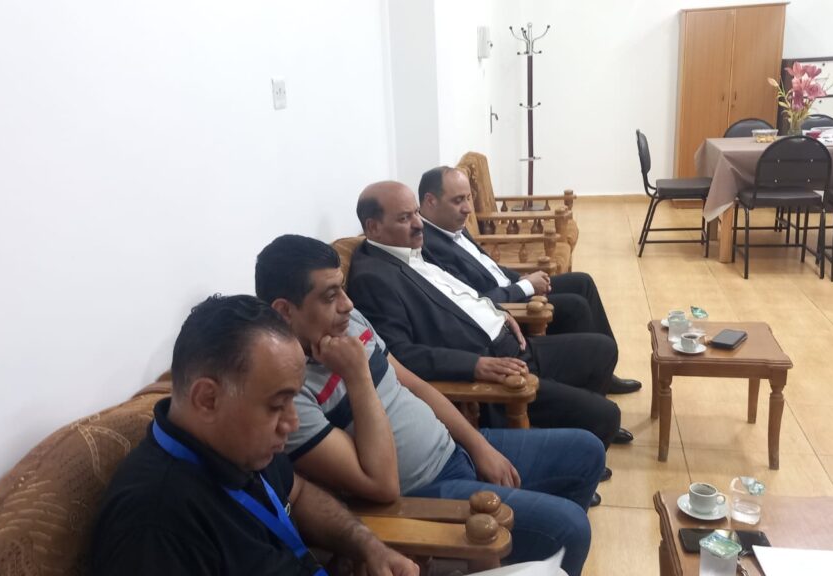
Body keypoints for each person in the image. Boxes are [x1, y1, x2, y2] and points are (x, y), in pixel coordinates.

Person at [255, 234, 605, 575]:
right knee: (569, 527)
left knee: (586, 451)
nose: (347, 304)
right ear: (284, 311)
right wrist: (358, 375)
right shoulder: (290, 395)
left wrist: (478, 445)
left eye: (343, 289)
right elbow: (381, 486)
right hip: (422, 492)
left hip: (452, 448)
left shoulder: (349, 324)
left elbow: (416, 385)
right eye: (330, 296)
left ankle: (530, 559)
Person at [90, 295, 418, 576]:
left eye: (293, 399)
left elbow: (298, 493)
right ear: (207, 399)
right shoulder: (155, 525)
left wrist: (367, 546)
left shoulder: (238, 446)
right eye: (277, 405)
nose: (291, 423)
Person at [346, 181, 631, 447]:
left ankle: (572, 422)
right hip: (492, 370)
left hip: (512, 343)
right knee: (606, 416)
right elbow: (400, 354)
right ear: (373, 227)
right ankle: (570, 445)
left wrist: (496, 310)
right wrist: (475, 365)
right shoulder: (374, 278)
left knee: (603, 350)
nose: (419, 224)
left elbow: (460, 293)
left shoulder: (408, 249)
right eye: (405, 218)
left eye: (416, 213)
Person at [417, 166, 641, 395]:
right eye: (458, 200)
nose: (467, 208)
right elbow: (476, 299)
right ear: (430, 201)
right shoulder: (428, 246)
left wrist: (522, 278)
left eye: (468, 198)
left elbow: (490, 267)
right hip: (506, 305)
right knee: (576, 306)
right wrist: (526, 286)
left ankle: (605, 373)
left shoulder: (451, 222)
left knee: (583, 283)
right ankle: (590, 382)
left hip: (512, 288)